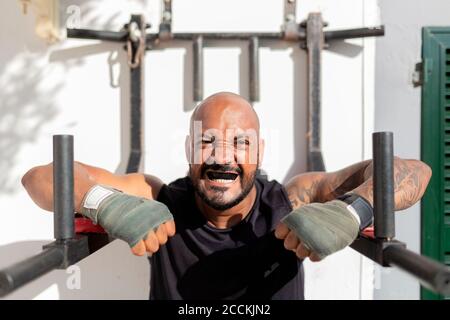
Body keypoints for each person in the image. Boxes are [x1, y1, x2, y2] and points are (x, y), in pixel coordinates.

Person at [21, 92, 432, 299]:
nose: (223, 157)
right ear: (188, 150)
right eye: (208, 142)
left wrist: (352, 212)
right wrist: (106, 204)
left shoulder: (293, 199)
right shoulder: (158, 197)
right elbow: (41, 179)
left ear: (259, 153)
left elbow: (414, 172)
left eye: (240, 143)